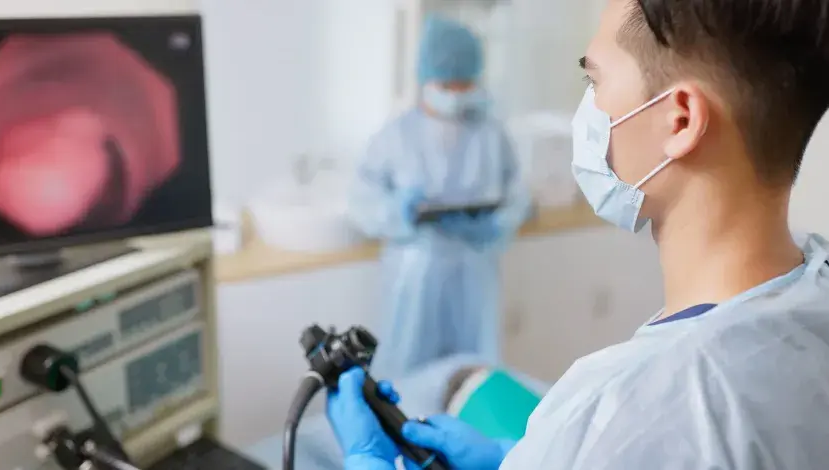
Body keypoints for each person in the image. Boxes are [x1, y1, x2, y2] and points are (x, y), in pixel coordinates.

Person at [328, 0, 829, 467]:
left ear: (679, 120)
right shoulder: (813, 302)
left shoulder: (630, 412)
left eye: (595, 81)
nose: (587, 110)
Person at [347, 15, 531, 379]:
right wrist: (398, 212)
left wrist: (496, 224)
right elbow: (361, 201)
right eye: (448, 83)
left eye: (465, 83)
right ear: (426, 79)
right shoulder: (395, 136)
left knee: (474, 377)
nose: (456, 92)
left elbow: (518, 195)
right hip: (416, 277)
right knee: (406, 380)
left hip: (474, 274)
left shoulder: (491, 135)